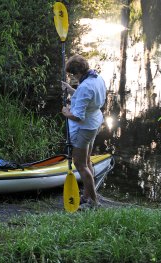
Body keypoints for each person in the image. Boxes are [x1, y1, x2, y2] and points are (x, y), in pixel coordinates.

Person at [60, 55, 107, 209]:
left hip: (85, 127)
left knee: (80, 164)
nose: (73, 77)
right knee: (87, 161)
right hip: (94, 122)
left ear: (77, 73)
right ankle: (87, 195)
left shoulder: (86, 86)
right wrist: (70, 89)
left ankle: (94, 202)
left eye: (73, 75)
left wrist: (66, 112)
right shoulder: (96, 77)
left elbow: (78, 117)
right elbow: (87, 97)